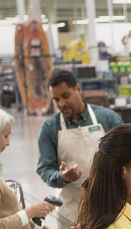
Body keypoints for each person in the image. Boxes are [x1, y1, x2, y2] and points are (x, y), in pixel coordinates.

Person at [37, 70, 123, 221]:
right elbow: (45, 168)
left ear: (78, 88)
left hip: (110, 204)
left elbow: (127, 158)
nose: (62, 104)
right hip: (73, 209)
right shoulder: (50, 128)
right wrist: (61, 177)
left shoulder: (107, 118)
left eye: (66, 96)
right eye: (56, 100)